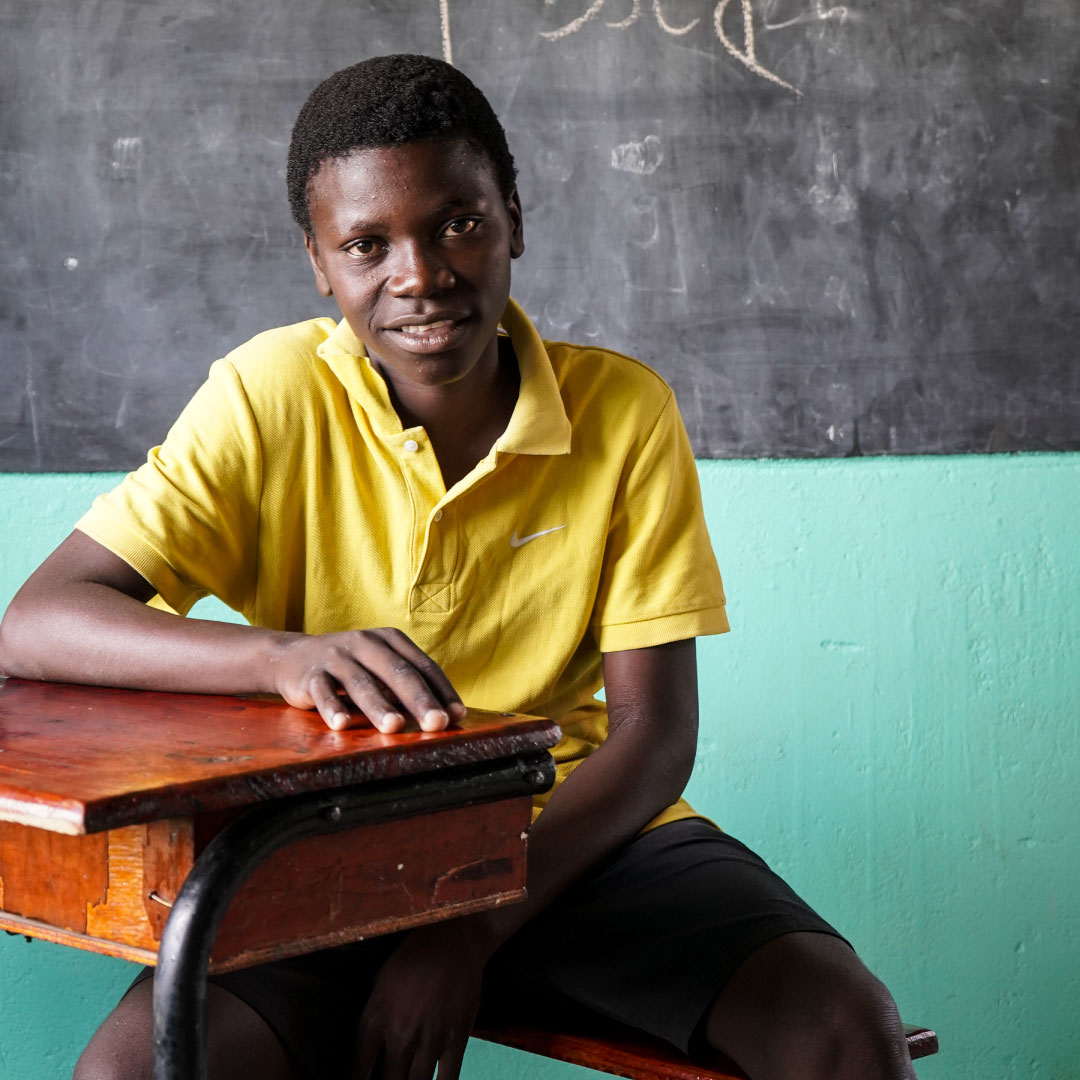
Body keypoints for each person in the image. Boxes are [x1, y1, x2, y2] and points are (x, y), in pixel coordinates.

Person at [0, 55, 916, 1080]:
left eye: (458, 223)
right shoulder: (268, 397)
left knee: (844, 1028)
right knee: (127, 1074)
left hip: (569, 840)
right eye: (366, 244)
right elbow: (36, 621)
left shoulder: (623, 413)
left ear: (513, 219)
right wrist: (282, 660)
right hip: (327, 845)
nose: (421, 274)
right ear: (318, 262)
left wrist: (468, 924)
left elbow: (655, 737)